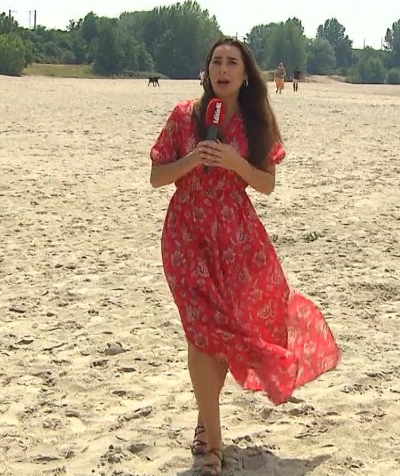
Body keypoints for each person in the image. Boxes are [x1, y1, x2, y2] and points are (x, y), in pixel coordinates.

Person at [149, 37, 340, 476]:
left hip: (236, 237)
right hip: (186, 233)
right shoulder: (184, 116)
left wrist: (235, 161)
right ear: (207, 71)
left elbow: (266, 185)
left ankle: (205, 422)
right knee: (201, 332)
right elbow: (157, 176)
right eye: (216, 61)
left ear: (245, 74)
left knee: (222, 334)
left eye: (231, 62)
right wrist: (192, 159)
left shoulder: (257, 123)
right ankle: (212, 447)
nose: (223, 69)